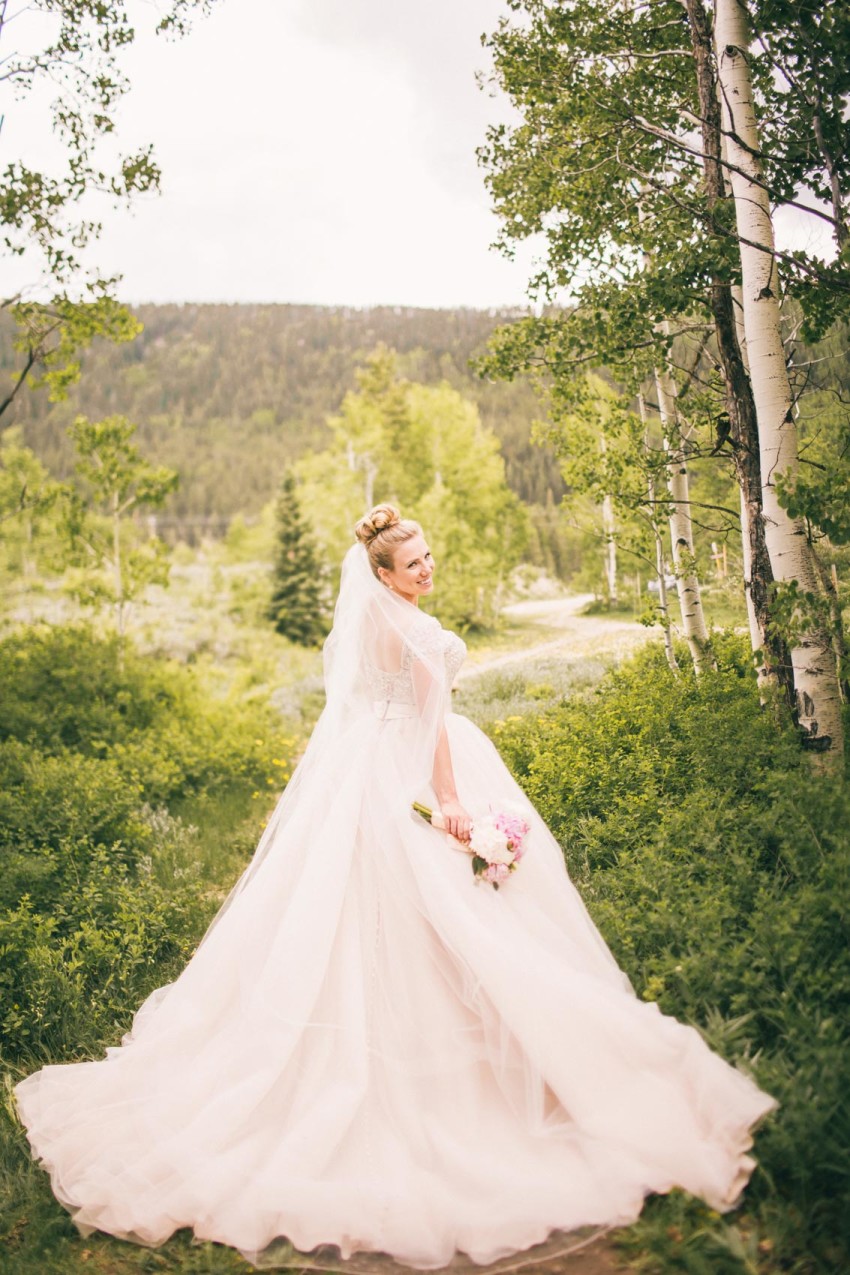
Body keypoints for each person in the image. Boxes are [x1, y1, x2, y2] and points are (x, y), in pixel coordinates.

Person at [15, 504, 776, 1272]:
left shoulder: (377, 618)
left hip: (362, 766)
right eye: (413, 564)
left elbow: (368, 707)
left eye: (429, 557)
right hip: (411, 767)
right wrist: (449, 803)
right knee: (431, 914)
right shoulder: (412, 627)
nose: (427, 569)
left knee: (372, 916)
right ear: (381, 574)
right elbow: (433, 720)